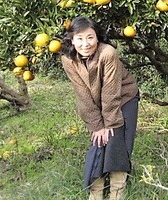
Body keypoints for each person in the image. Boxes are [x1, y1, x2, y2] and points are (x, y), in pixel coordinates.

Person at [61, 16, 139, 200]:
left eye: (90, 37)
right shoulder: (68, 59)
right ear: (72, 40)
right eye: (80, 39)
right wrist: (97, 126)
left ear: (97, 37)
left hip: (124, 97)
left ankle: (117, 191)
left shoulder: (108, 53)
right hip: (97, 102)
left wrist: (110, 124)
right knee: (99, 141)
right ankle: (95, 191)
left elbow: (112, 91)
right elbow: (82, 94)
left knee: (116, 139)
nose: (85, 44)